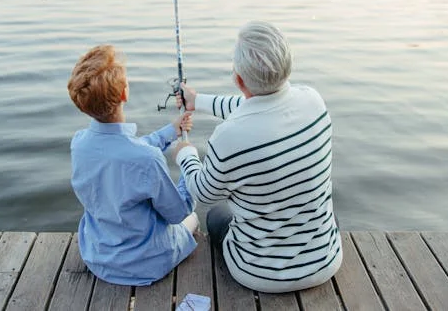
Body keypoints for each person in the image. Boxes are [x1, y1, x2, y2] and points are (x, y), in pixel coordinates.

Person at [174, 21, 342, 293]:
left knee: (217, 214)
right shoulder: (314, 101)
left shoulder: (228, 137)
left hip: (259, 275)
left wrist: (186, 155)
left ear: (239, 80)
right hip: (326, 262)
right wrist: (199, 101)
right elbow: (257, 105)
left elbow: (203, 194)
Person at [68, 44, 199, 286]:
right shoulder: (147, 158)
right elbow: (177, 213)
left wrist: (170, 132)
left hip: (98, 257)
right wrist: (188, 165)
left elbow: (123, 150)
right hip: (145, 264)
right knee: (192, 217)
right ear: (124, 95)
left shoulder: (79, 144)